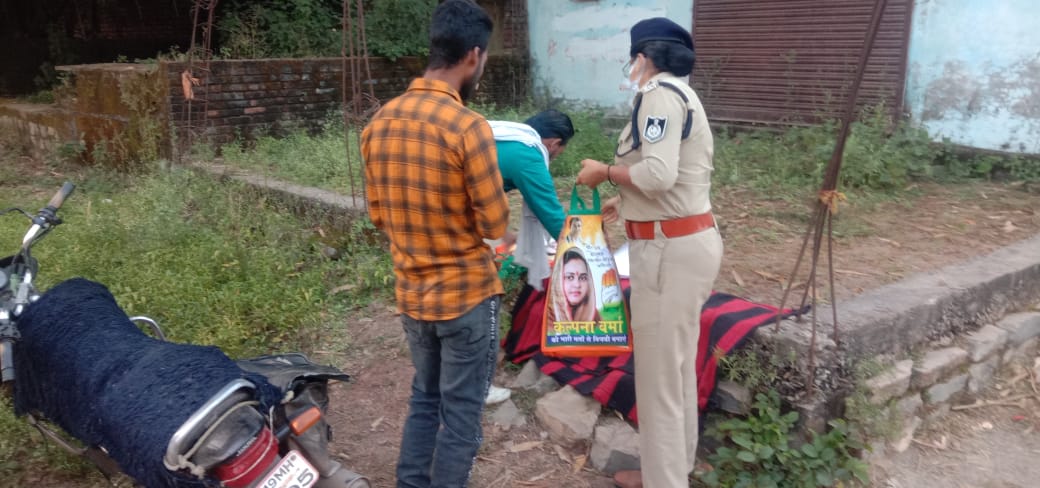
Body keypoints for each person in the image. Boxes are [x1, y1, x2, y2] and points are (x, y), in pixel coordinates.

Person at [360, 1, 508, 487]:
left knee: (425, 397)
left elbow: (380, 215)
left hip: (413, 297)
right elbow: (493, 223)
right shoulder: (468, 127)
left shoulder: (377, 123)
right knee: (462, 413)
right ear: (473, 55)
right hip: (465, 296)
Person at [575, 17, 723, 488]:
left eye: (633, 57)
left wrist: (605, 173)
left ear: (643, 57)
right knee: (674, 369)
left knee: (660, 378)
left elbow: (657, 174)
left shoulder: (658, 94)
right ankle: (672, 470)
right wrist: (628, 198)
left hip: (668, 251)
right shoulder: (680, 95)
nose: (632, 66)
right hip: (681, 240)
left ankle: (664, 481)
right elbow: (674, 176)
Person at [485, 110, 574, 405]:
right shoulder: (527, 154)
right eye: (560, 151)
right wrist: (584, 251)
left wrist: (501, 231)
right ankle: (477, 385)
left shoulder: (504, 136)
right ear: (554, 143)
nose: (556, 157)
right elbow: (551, 213)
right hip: (453, 227)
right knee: (483, 302)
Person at [555, 247, 600, 322]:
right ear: (558, 280)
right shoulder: (547, 316)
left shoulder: (594, 317)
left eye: (582, 278)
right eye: (570, 277)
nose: (577, 285)